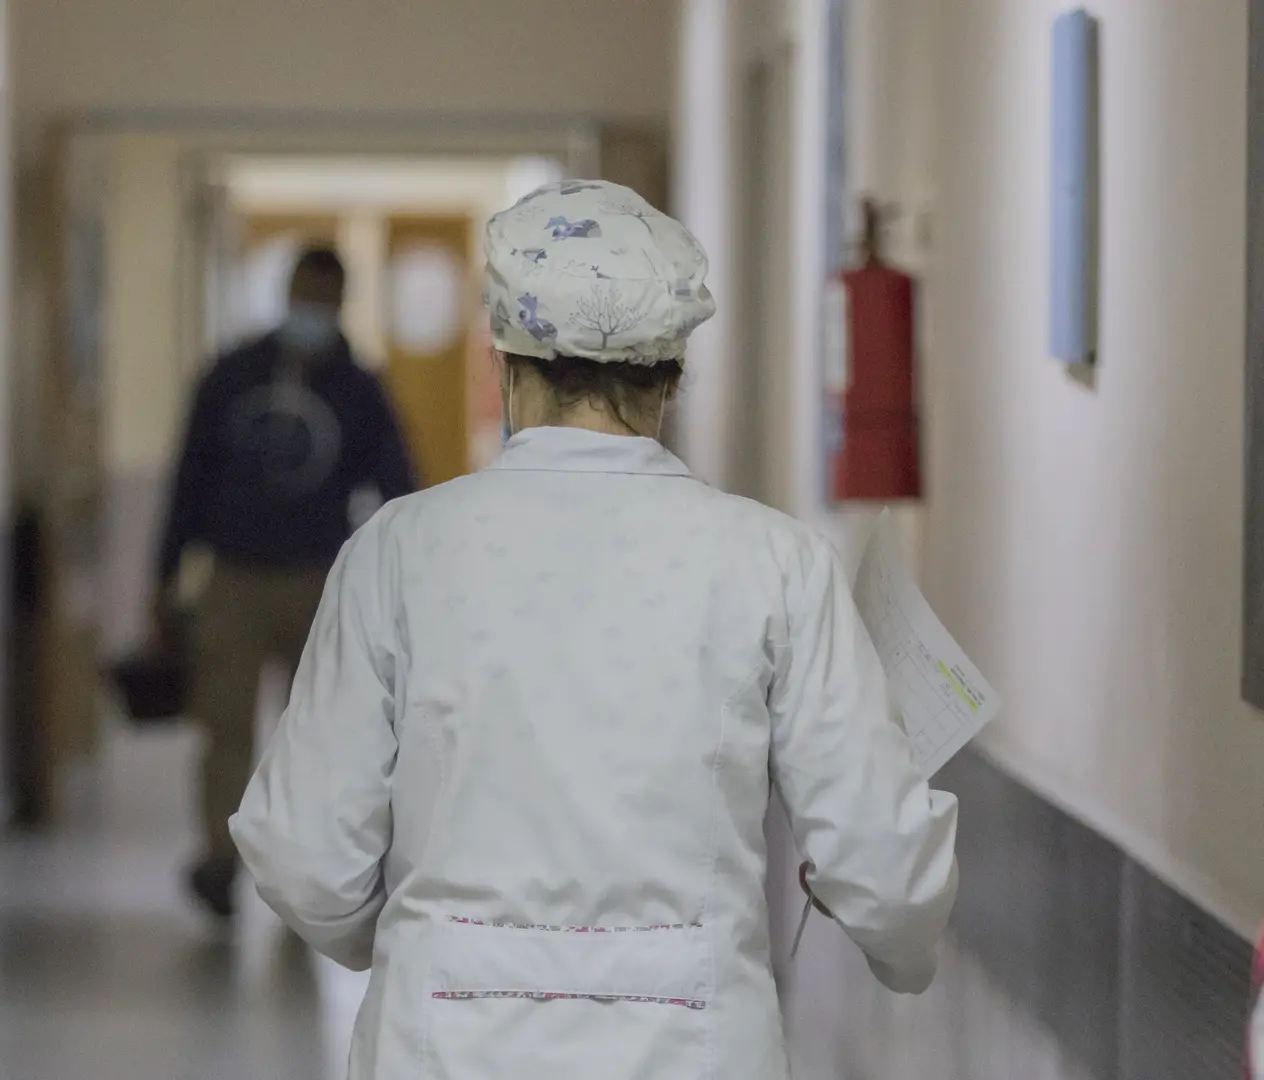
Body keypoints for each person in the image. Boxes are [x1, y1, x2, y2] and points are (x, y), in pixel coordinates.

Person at [228, 181, 959, 1079]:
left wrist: (430, 943)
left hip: (444, 1045)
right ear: (673, 376)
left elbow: (305, 855)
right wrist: (896, 943)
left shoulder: (399, 552)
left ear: (506, 362)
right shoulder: (777, 563)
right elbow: (887, 872)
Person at [155, 245, 416, 921]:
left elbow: (397, 483)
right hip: (234, 575)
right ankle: (220, 859)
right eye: (304, 295)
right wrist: (166, 576)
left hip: (316, 579)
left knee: (318, 730)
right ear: (287, 293)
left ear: (341, 304)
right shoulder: (232, 374)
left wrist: (401, 582)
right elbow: (189, 477)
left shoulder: (358, 389)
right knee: (225, 723)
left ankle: (307, 864)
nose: (312, 310)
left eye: (324, 300)